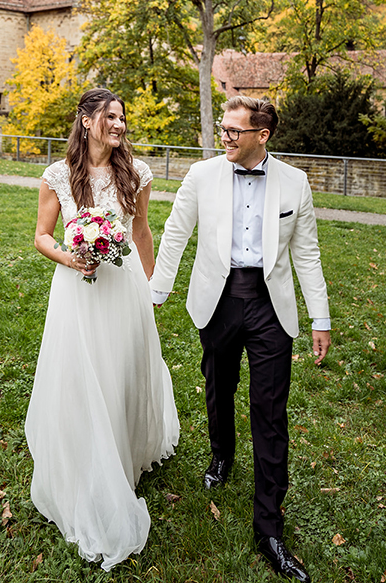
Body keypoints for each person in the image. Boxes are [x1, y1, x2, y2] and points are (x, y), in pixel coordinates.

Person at [150, 96, 330, 583]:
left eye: (233, 131)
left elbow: (307, 254)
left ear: (261, 135)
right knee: (218, 385)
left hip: (271, 304)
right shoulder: (201, 175)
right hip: (219, 297)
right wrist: (157, 290)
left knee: (271, 411)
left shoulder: (295, 182)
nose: (223, 137)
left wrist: (321, 318)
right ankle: (222, 453)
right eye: (223, 130)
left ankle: (269, 528)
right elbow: (174, 234)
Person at [25, 87, 179, 571]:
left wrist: (153, 287)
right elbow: (41, 236)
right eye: (111, 116)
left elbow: (142, 232)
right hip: (77, 290)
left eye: (123, 117)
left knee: (124, 369)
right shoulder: (57, 178)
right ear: (87, 120)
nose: (120, 124)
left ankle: (124, 452)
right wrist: (73, 258)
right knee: (82, 373)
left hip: (125, 287)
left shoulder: (136, 173)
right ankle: (86, 460)